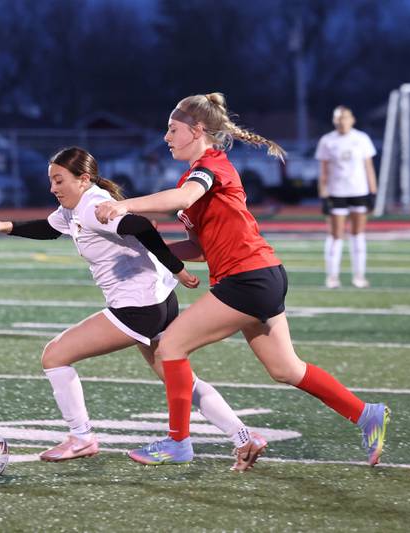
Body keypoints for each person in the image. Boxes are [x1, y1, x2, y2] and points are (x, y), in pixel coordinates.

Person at [95, 93, 390, 467]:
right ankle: (366, 414)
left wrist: (124, 204)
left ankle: (178, 442)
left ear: (198, 130)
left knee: (169, 347)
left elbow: (182, 196)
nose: (166, 138)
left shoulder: (210, 166)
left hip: (248, 279)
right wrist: (152, 251)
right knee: (286, 369)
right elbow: (200, 249)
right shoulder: (197, 173)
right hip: (262, 275)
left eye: (172, 130)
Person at [0, 146, 267, 471]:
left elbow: (141, 226)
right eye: (51, 181)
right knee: (179, 379)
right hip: (157, 301)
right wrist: (6, 226)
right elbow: (50, 228)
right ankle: (243, 435)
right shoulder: (75, 208)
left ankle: (81, 437)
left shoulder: (91, 206)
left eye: (59, 180)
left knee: (54, 355)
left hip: (138, 307)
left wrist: (177, 268)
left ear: (83, 179)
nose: (53, 188)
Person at [315, 106, 378, 289]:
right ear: (334, 121)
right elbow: (324, 172)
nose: (341, 121)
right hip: (337, 192)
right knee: (336, 235)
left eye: (345, 118)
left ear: (352, 119)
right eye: (338, 118)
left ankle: (359, 276)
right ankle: (332, 277)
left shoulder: (361, 139)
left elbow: (369, 167)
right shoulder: (327, 141)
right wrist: (324, 196)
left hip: (359, 191)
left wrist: (372, 192)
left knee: (358, 234)